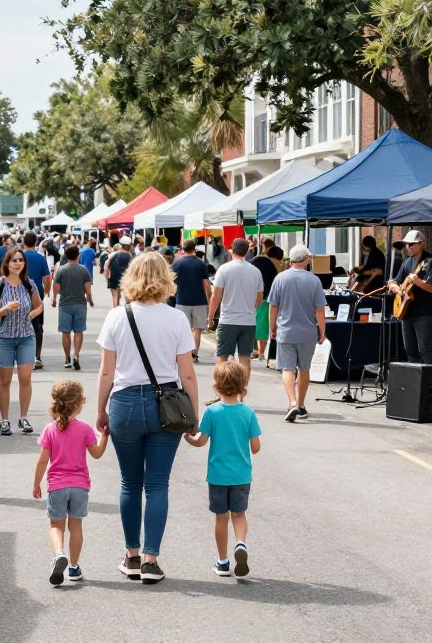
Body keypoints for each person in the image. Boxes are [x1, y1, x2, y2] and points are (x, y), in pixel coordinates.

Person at [96, 252, 199, 584]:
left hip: (124, 402)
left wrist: (100, 409)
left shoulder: (117, 316)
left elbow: (106, 371)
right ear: (166, 278)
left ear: (131, 277)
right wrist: (194, 413)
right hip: (165, 404)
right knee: (157, 484)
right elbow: (188, 374)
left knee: (130, 482)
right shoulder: (176, 319)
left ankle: (131, 555)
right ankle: (151, 560)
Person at [184, 361, 261, 578]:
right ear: (242, 385)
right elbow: (256, 448)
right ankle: (240, 543)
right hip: (241, 475)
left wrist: (188, 438)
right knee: (239, 514)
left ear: (217, 385)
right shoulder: (248, 413)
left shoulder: (212, 412)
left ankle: (223, 562)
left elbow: (201, 441)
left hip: (218, 475)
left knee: (221, 518)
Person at [33, 380, 110, 585]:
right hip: (80, 487)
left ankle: (59, 554)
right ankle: (74, 568)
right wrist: (104, 437)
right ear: (77, 404)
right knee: (76, 527)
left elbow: (42, 461)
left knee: (56, 526)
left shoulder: (49, 429)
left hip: (57, 486)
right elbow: (97, 454)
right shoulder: (84, 429)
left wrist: (36, 483)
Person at [268, 245, 326, 422]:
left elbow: (273, 306)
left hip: (286, 331)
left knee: (287, 368)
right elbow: (320, 309)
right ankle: (301, 405)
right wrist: (322, 331)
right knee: (304, 369)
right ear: (306, 259)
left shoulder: (280, 278)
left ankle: (292, 402)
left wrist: (272, 327)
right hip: (307, 332)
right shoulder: (314, 280)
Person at [0, 248, 44, 436]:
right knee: (5, 380)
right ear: (7, 263)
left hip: (26, 336)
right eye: (14, 260)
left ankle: (24, 417)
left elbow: (39, 306)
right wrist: (5, 309)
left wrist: (33, 314)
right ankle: (4, 420)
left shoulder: (29, 284)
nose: (18, 263)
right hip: (4, 337)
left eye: (21, 260)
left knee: (25, 378)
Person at [207, 239, 263, 380]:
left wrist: (210, 317)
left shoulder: (224, 269)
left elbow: (216, 297)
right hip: (248, 321)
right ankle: (242, 390)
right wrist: (250, 309)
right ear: (247, 251)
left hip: (228, 320)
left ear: (231, 250)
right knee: (245, 359)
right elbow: (259, 299)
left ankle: (222, 388)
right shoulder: (256, 271)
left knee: (222, 358)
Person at [386, 229, 432, 365]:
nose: (408, 247)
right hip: (406, 312)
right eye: (407, 244)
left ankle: (431, 378)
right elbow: (395, 281)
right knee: (410, 350)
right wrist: (396, 288)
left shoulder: (430, 262)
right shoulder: (407, 262)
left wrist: (417, 281)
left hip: (424, 313)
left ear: (422, 244)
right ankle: (414, 378)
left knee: (425, 349)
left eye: (411, 244)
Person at [52, 245, 93, 371]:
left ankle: (67, 358)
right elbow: (88, 289)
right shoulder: (83, 270)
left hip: (65, 304)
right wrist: (90, 299)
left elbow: (56, 286)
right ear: (78, 256)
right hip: (80, 303)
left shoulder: (61, 269)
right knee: (78, 331)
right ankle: (76, 355)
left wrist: (54, 299)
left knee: (65, 333)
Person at [172, 240, 212, 364]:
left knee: (184, 330)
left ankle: (184, 354)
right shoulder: (200, 264)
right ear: (194, 249)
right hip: (199, 301)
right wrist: (209, 300)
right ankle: (194, 354)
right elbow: (206, 285)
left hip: (181, 301)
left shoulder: (176, 263)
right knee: (197, 330)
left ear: (183, 249)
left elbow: (171, 283)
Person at [20, 231, 52, 370]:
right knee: (37, 328)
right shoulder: (40, 258)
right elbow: (47, 279)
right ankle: (37, 356)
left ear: (23, 242)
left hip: (19, 295)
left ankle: (22, 356)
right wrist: (45, 293)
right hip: (37, 296)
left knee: (20, 326)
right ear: (36, 242)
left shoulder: (19, 257)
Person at [250, 245, 282, 361]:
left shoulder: (255, 260)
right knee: (263, 326)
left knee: (258, 325)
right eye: (279, 261)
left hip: (252, 298)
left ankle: (258, 352)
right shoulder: (268, 265)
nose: (279, 264)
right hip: (264, 299)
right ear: (276, 258)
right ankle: (262, 353)